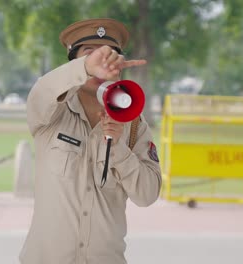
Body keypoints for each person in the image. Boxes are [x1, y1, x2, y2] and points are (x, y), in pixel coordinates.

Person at [20, 18, 162, 264]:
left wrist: (117, 147)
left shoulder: (133, 124)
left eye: (110, 57)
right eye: (91, 55)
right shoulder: (51, 112)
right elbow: (42, 90)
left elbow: (147, 195)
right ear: (74, 63)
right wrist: (86, 67)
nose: (102, 63)